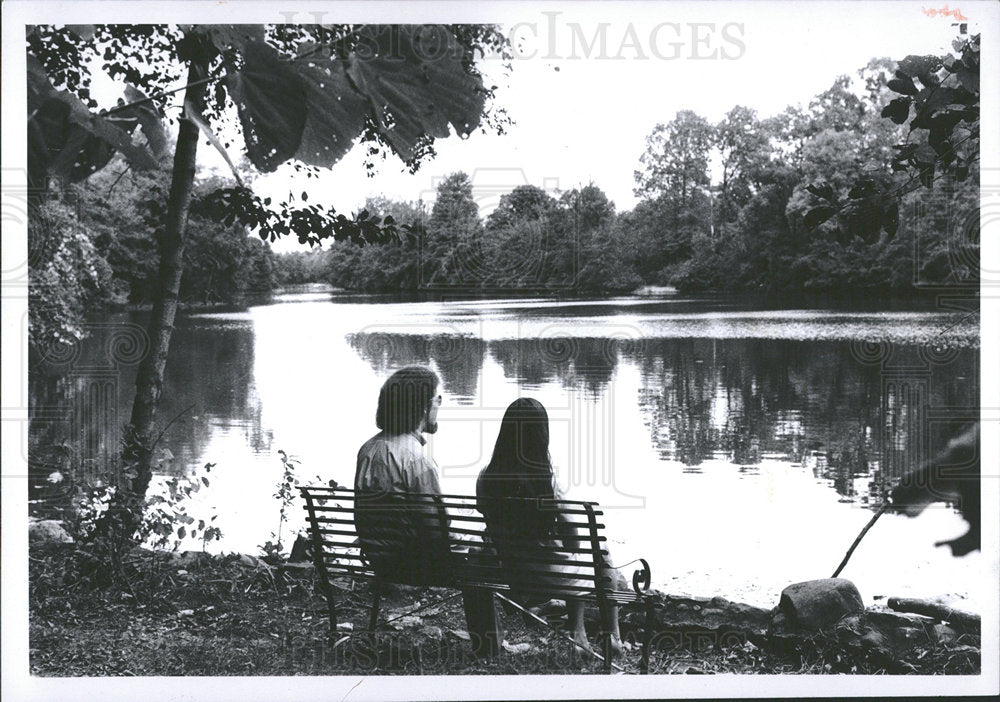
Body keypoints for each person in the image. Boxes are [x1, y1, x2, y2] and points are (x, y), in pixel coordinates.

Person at [354, 366, 502, 656]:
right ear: (421, 406)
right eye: (437, 398)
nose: (440, 404)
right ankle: (490, 650)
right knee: (481, 558)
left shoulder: (368, 450)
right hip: (414, 564)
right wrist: (473, 537)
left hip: (380, 558)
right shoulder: (417, 461)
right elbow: (436, 533)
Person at [476, 397, 623, 657]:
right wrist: (570, 548)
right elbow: (572, 536)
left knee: (573, 556)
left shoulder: (486, 476)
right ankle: (605, 635)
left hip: (509, 572)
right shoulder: (547, 480)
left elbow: (489, 523)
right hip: (549, 575)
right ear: (542, 435)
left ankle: (581, 636)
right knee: (598, 550)